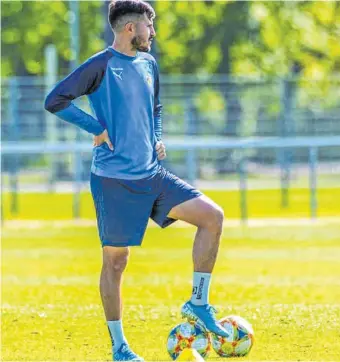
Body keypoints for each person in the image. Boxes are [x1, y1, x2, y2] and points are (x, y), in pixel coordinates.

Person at [44, 0, 229, 360]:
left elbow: (155, 107)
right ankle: (120, 347)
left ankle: (197, 302)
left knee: (212, 217)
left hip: (153, 174)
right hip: (113, 181)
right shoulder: (101, 65)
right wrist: (94, 128)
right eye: (149, 24)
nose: (153, 32)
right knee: (116, 262)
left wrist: (158, 137)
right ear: (131, 28)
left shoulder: (149, 63)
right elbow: (56, 100)